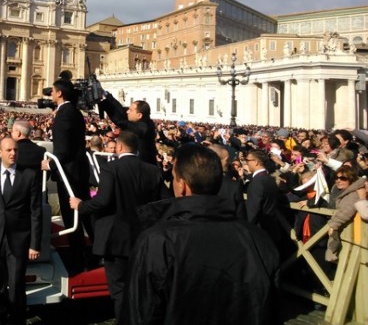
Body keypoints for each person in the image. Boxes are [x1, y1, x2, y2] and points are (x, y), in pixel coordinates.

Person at [123, 143, 280, 324]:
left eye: (174, 178)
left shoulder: (158, 241)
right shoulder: (258, 238)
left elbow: (140, 312)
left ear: (182, 185)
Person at [69, 131, 163, 320]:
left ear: (119, 147)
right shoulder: (152, 170)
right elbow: (161, 202)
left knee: (119, 290)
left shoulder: (111, 169)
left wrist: (80, 205)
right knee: (139, 288)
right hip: (143, 237)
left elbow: (103, 201)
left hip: (115, 238)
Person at [0, 137, 42, 325]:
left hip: (19, 239)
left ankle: (17, 319)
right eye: (8, 150)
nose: (13, 153)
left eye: (15, 150)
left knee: (16, 284)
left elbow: (35, 212)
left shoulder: (29, 176)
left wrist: (34, 244)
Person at [41, 77, 90, 273]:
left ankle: (78, 259)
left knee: (71, 217)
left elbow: (63, 150)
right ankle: (91, 252)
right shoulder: (74, 111)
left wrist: (50, 164)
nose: (50, 94)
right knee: (84, 213)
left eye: (52, 91)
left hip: (68, 172)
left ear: (59, 93)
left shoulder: (63, 115)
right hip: (78, 169)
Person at [245, 149, 288, 251]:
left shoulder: (258, 181)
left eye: (248, 160)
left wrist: (246, 229)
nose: (246, 163)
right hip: (271, 227)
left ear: (256, 162)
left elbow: (253, 210)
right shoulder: (269, 178)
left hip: (261, 230)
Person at [98, 92, 157, 164]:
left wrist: (111, 112)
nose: (127, 112)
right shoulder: (138, 120)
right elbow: (122, 110)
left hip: (143, 167)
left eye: (131, 110)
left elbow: (122, 122)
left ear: (139, 115)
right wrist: (107, 96)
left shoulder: (145, 126)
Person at [325, 165, 366, 262]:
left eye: (343, 178)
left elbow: (346, 210)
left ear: (351, 179)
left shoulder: (355, 192)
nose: (338, 180)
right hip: (348, 236)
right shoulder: (340, 190)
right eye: (336, 178)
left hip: (356, 238)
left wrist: (334, 225)